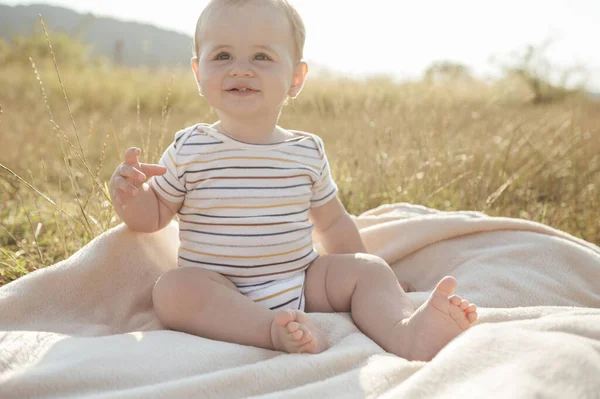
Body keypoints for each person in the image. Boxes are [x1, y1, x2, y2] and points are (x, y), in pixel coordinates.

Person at [109, 0, 477, 361]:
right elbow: (153, 216)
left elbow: (333, 222)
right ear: (198, 73)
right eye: (222, 56)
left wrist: (375, 277)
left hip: (301, 279)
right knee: (172, 291)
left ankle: (406, 331)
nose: (241, 69)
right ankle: (270, 329)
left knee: (370, 270)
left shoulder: (306, 151)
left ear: (296, 79)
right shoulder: (192, 147)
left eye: (261, 57)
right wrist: (130, 196)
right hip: (217, 289)